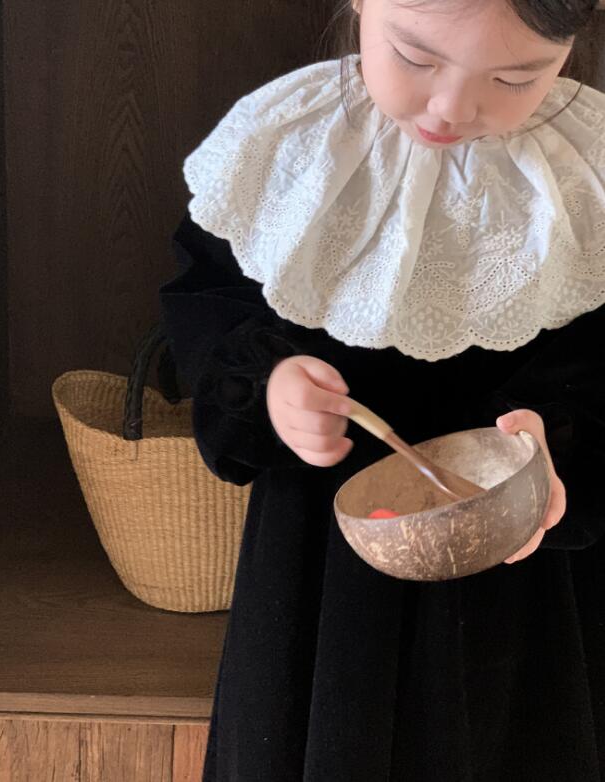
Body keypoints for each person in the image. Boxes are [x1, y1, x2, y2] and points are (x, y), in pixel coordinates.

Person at [158, 1, 605, 779]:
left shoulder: (587, 167)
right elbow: (208, 301)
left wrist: (561, 440)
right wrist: (269, 384)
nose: (452, 107)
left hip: (524, 582)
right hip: (321, 573)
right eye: (417, 58)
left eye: (514, 78)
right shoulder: (291, 141)